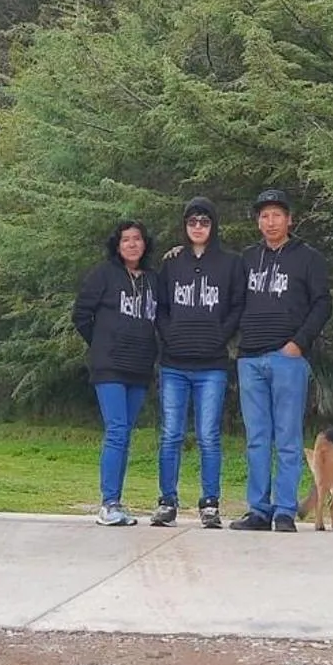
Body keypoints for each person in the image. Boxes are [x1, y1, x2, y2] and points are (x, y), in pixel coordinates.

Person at [229, 189, 332, 532]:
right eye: (264, 216)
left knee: (287, 437)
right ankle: (259, 510)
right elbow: (228, 296)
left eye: (276, 215)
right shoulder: (246, 258)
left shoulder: (308, 258)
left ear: (289, 219)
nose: (270, 222)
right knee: (258, 438)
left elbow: (322, 304)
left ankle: (285, 510)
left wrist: (299, 344)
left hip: (288, 358)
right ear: (258, 222)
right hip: (250, 359)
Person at [150, 196, 244, 528]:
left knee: (208, 435)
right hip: (174, 363)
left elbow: (236, 306)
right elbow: (159, 306)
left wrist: (222, 336)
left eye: (204, 222)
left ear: (213, 226)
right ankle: (167, 501)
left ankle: (210, 503)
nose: (198, 227)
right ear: (185, 226)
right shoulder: (172, 262)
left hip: (212, 365)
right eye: (192, 222)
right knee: (171, 434)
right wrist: (168, 334)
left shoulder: (230, 263)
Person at [71, 219, 159, 526]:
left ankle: (117, 501)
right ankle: (108, 504)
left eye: (137, 238)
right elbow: (81, 314)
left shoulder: (153, 279)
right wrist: (102, 343)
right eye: (126, 239)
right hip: (109, 366)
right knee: (117, 430)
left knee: (125, 435)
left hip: (139, 367)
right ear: (117, 245)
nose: (132, 244)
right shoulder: (103, 275)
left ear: (145, 244)